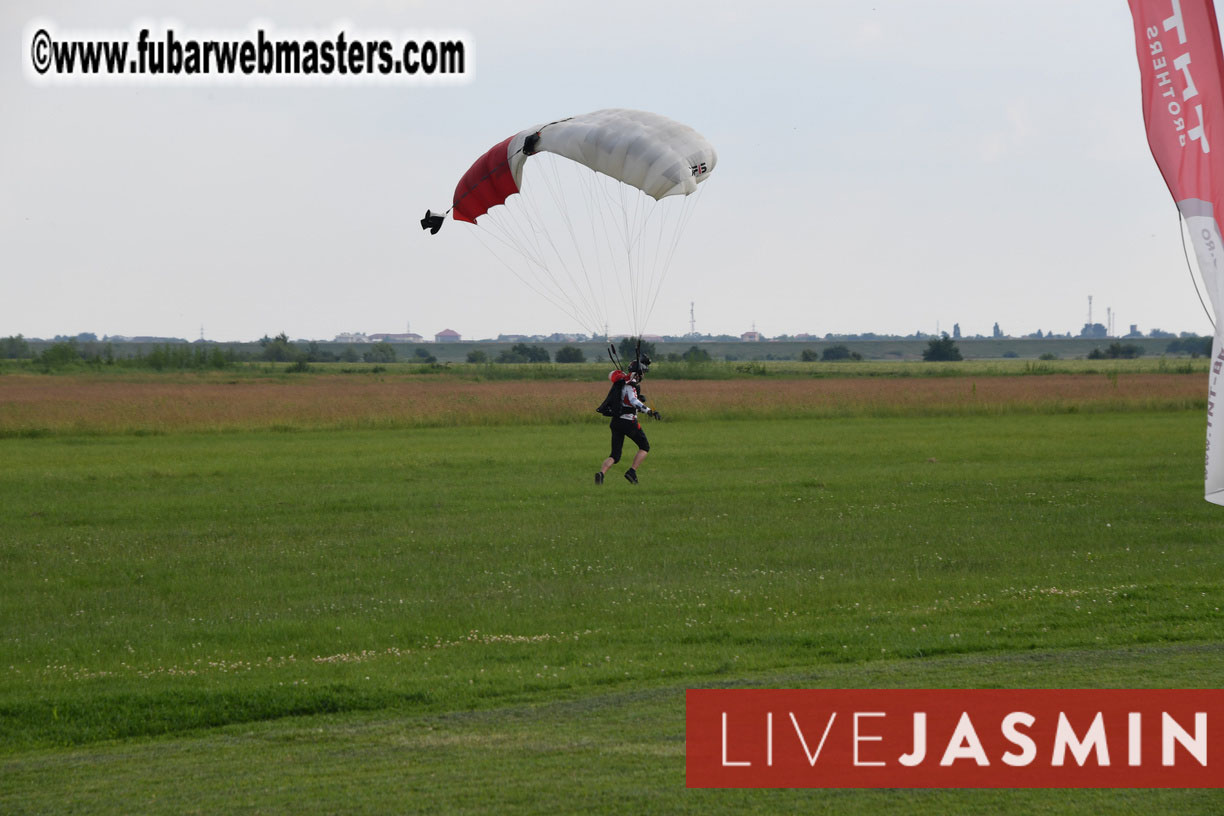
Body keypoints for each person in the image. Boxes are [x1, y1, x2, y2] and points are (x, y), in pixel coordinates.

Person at [596, 358, 660, 485]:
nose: (644, 376)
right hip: (628, 423)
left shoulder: (621, 383)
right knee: (644, 446)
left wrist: (639, 399)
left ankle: (601, 473)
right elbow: (633, 401)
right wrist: (649, 411)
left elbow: (628, 400)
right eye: (643, 373)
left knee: (615, 455)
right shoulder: (631, 384)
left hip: (616, 422)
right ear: (639, 373)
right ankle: (632, 472)